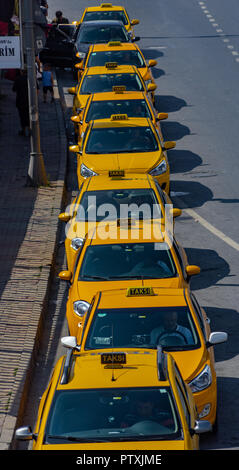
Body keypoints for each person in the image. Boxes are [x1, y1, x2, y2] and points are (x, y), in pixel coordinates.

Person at [12, 67, 30, 136]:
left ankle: (23, 130)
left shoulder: (17, 79)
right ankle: (29, 129)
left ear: (21, 71)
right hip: (29, 100)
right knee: (29, 116)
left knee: (22, 116)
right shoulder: (31, 78)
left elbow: (14, 89)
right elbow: (37, 90)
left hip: (20, 101)